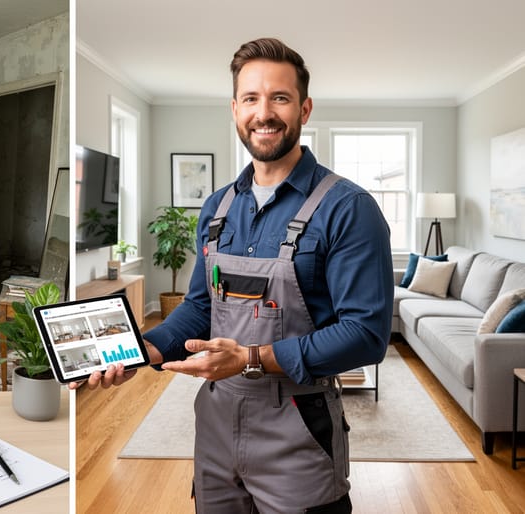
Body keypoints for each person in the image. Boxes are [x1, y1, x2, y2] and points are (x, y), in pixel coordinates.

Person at [74, 37, 393, 513]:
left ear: (304, 109)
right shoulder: (218, 207)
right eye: (251, 98)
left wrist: (251, 357)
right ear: (235, 109)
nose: (264, 112)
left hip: (299, 431)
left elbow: (366, 335)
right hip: (217, 433)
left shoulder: (349, 209)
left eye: (279, 98)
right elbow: (202, 307)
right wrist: (143, 351)